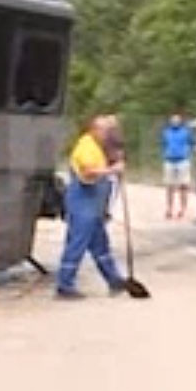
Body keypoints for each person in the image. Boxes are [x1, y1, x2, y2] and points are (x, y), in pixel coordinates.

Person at [56, 116, 127, 300]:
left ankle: (114, 279)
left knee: (101, 245)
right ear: (94, 130)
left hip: (93, 204)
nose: (106, 135)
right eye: (104, 131)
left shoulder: (97, 148)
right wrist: (112, 171)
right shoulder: (85, 147)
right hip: (82, 203)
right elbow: (88, 172)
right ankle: (64, 284)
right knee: (77, 244)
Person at [161, 111, 193, 219]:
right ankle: (169, 208)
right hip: (169, 161)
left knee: (183, 186)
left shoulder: (185, 132)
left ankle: (183, 209)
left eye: (177, 120)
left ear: (180, 121)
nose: (175, 122)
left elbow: (191, 143)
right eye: (173, 120)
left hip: (182, 161)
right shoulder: (166, 132)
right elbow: (164, 144)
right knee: (169, 186)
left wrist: (187, 152)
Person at [99, 114, 124, 222]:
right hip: (106, 165)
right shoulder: (103, 137)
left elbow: (120, 150)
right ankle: (105, 209)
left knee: (113, 188)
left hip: (113, 165)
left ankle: (108, 210)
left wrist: (120, 159)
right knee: (109, 187)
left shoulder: (117, 136)